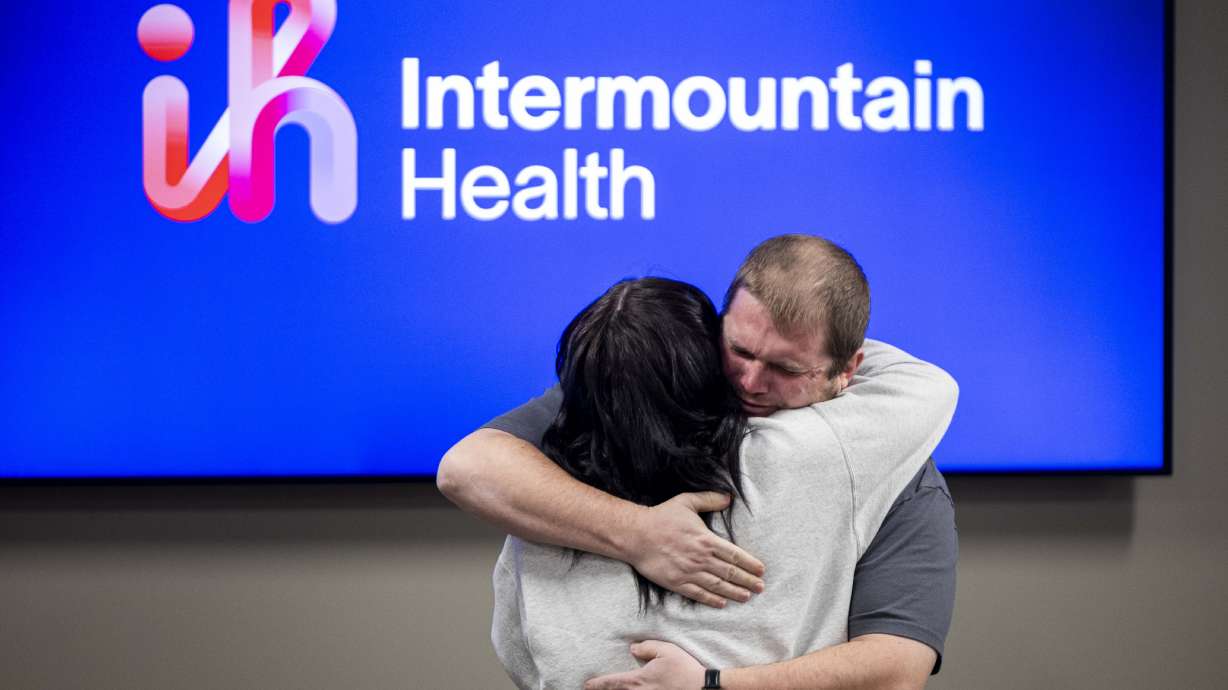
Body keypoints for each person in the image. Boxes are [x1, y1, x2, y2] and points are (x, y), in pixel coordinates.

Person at [439, 234, 960, 689]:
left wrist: (714, 684)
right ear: (718, 327)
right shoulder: (627, 394)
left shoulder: (893, 466)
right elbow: (468, 467)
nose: (751, 382)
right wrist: (637, 532)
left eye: (785, 367)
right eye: (740, 350)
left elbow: (896, 668)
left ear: (849, 369)